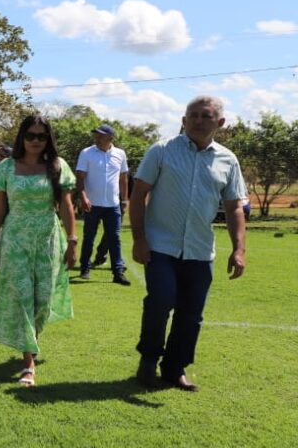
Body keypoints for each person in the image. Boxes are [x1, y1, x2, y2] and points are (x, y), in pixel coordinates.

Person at [131, 96, 247, 392]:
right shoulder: (162, 150)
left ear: (220, 123)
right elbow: (139, 193)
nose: (198, 121)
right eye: (193, 115)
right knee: (160, 301)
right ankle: (148, 360)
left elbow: (234, 207)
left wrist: (239, 249)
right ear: (183, 120)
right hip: (160, 245)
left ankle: (175, 368)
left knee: (191, 313)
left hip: (200, 250)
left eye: (206, 116)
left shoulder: (228, 160)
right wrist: (139, 239)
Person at [0, 115, 77, 387]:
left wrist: (72, 241)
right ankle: (28, 362)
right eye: (30, 135)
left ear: (48, 139)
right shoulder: (6, 168)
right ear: (21, 137)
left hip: (48, 239)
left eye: (41, 136)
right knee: (22, 296)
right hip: (16, 240)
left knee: (43, 298)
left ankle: (32, 341)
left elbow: (66, 206)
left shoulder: (57, 166)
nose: (35, 141)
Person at [75, 124, 130, 285]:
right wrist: (83, 197)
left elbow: (123, 178)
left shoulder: (120, 154)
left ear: (110, 138)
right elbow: (80, 177)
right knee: (89, 237)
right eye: (96, 135)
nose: (97, 138)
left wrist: (124, 200)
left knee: (115, 238)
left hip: (113, 205)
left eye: (101, 135)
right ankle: (85, 268)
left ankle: (118, 272)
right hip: (92, 204)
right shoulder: (87, 153)